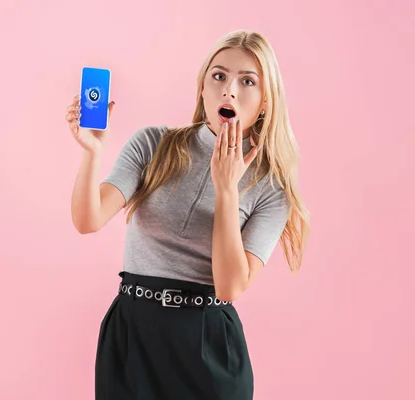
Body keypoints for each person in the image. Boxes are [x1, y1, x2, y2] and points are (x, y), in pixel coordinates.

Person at [65, 29, 310, 400]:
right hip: (132, 335)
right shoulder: (153, 144)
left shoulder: (271, 189)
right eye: (219, 76)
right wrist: (92, 152)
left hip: (207, 345)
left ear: (264, 102)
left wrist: (227, 189)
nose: (230, 89)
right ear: (203, 89)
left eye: (247, 81)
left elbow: (230, 287)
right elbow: (89, 220)